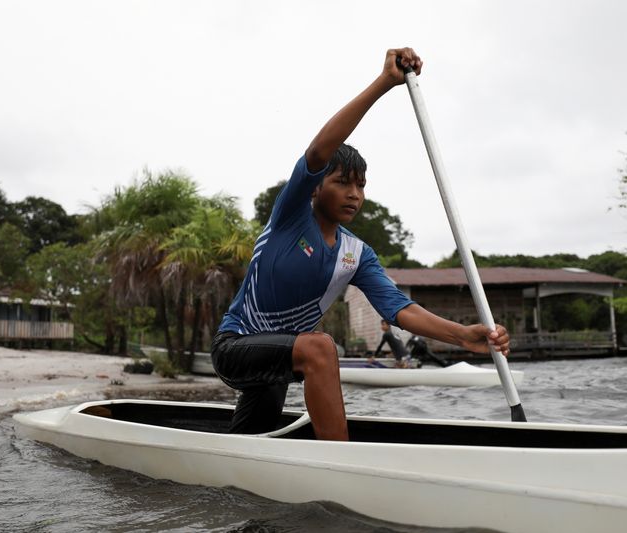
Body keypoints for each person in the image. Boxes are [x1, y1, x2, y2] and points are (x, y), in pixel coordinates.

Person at [211, 47, 510, 441]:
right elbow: (319, 151)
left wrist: (462, 335)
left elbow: (400, 309)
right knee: (320, 348)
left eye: (361, 186)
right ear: (316, 188)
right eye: (343, 182)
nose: (354, 194)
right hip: (236, 347)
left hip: (280, 357)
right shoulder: (291, 216)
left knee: (248, 442)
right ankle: (342, 462)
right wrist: (386, 82)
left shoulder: (356, 254)